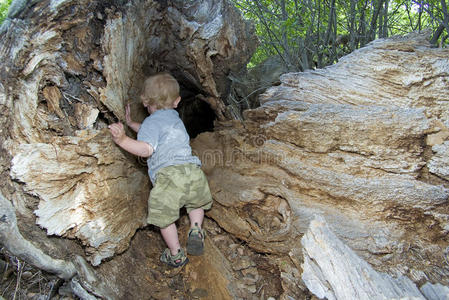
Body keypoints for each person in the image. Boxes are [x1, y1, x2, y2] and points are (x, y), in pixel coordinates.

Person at [108, 72, 213, 268]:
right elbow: (158, 133)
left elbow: (147, 147)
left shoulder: (150, 122)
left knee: (163, 218)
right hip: (192, 171)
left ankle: (176, 254)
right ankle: (196, 228)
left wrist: (123, 139)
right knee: (196, 202)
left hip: (169, 178)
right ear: (177, 101)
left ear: (146, 102)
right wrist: (132, 125)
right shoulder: (175, 118)